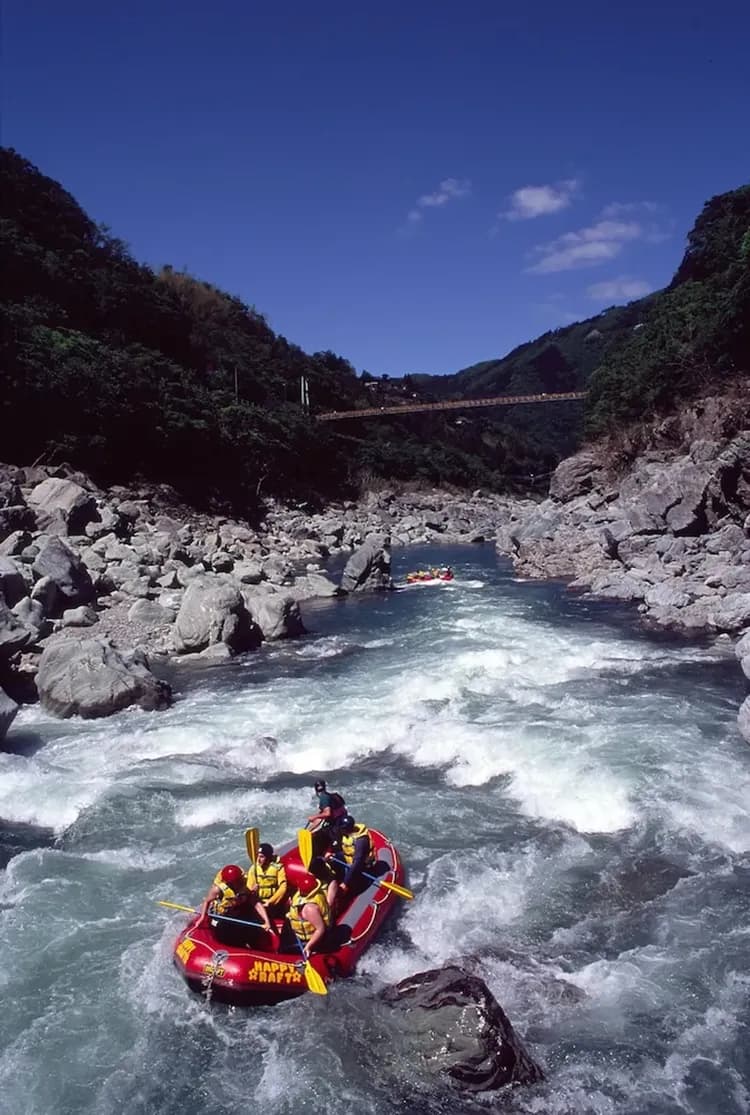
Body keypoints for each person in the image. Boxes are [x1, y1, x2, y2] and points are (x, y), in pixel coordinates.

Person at [197, 863, 274, 946]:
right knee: (226, 935)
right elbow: (207, 901)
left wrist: (266, 921)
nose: (238, 883)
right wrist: (202, 917)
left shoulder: (244, 887)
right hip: (223, 917)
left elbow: (256, 904)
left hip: (238, 912)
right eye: (235, 882)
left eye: (239, 880)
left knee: (252, 929)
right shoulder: (218, 890)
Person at [285, 871, 332, 959]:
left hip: (310, 939)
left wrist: (309, 946)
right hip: (302, 930)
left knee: (285, 948)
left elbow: (320, 929)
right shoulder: (317, 893)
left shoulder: (310, 908)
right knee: (286, 924)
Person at [335, 815, 377, 898]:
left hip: (361, 866)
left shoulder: (360, 841)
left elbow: (357, 863)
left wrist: (345, 882)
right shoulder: (348, 833)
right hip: (349, 859)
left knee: (353, 888)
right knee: (334, 858)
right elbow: (347, 850)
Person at [246, 843, 288, 918]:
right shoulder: (253, 869)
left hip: (273, 903)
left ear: (268, 857)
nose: (258, 859)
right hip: (258, 903)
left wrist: (270, 901)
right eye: (257, 856)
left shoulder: (278, 868)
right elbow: (248, 887)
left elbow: (283, 887)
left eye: (262, 857)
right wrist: (252, 890)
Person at [308, 778, 348, 852]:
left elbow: (327, 813)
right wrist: (308, 830)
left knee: (318, 838)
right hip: (344, 824)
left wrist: (314, 817)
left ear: (316, 790)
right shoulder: (333, 796)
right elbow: (321, 818)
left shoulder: (323, 798)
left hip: (336, 828)